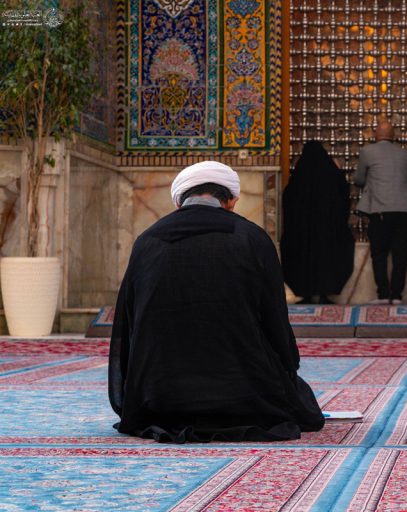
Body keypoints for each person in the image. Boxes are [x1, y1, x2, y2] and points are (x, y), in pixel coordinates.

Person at [108, 161, 324, 443]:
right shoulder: (252, 238)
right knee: (299, 398)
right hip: (245, 397)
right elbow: (275, 322)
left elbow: (128, 324)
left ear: (179, 202)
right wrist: (287, 368)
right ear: (232, 201)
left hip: (161, 397)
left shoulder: (147, 241)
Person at [281, 141, 355, 304]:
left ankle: (306, 293)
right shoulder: (332, 177)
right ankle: (323, 293)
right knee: (326, 257)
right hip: (327, 231)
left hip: (302, 232)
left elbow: (287, 200)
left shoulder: (299, 179)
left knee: (303, 257)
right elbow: (343, 195)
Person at [354, 121, 407, 304]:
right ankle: (397, 295)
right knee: (400, 254)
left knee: (379, 253)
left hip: (380, 209)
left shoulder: (367, 152)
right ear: (394, 136)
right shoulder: (406, 154)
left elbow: (359, 179)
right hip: (405, 209)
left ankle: (382, 294)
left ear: (375, 135)